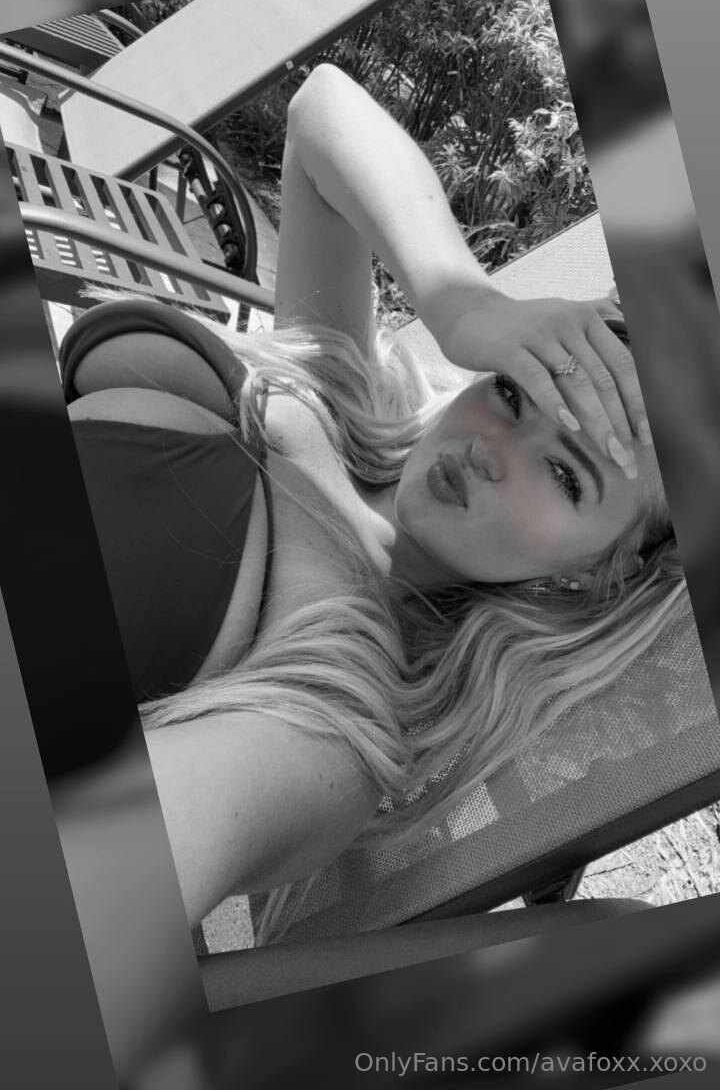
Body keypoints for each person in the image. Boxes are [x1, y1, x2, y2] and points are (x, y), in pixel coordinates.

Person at [60, 64, 684, 939]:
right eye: (513, 392)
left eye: (567, 474)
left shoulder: (331, 722)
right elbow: (321, 109)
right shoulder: (345, 392)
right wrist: (463, 303)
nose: (490, 447)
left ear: (592, 577)